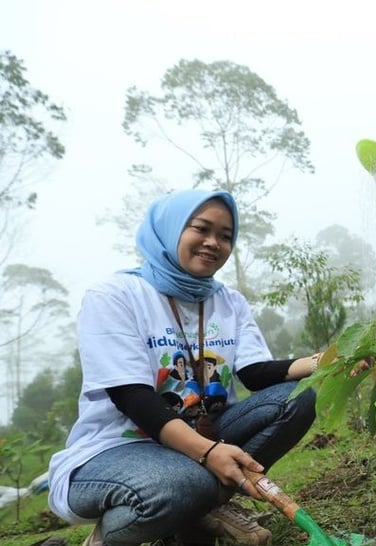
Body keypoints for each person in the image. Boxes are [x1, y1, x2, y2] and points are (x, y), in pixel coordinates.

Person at [47, 189, 322, 546]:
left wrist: (324, 362)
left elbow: (255, 373)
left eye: (225, 236)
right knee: (185, 483)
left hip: (202, 436)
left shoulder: (228, 301)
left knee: (295, 398)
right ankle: (108, 538)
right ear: (171, 229)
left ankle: (200, 512)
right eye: (201, 229)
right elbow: (133, 397)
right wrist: (208, 454)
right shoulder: (115, 295)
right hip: (117, 450)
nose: (213, 243)